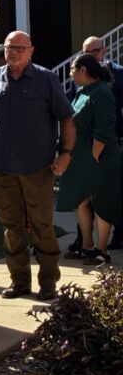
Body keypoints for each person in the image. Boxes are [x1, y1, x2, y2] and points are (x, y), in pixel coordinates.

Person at [0, 31, 76, 301]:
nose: (14, 52)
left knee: (42, 224)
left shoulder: (46, 79)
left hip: (38, 166)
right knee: (11, 226)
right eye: (9, 47)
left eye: (20, 47)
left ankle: (48, 282)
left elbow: (66, 119)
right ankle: (19, 281)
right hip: (2, 166)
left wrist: (65, 153)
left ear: (31, 50)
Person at [56, 53, 122, 265]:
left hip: (100, 158)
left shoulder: (101, 92)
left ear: (83, 70)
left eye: (72, 70)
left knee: (101, 201)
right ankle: (87, 246)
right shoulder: (81, 91)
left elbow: (103, 130)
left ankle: (102, 250)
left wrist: (92, 160)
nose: (71, 74)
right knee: (80, 200)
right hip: (81, 157)